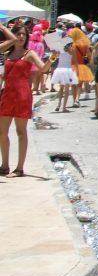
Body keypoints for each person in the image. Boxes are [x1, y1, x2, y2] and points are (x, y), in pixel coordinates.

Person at [0, 23, 55, 177]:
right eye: (18, 33)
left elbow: (43, 69)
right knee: (2, 132)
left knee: (20, 131)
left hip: (22, 95)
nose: (21, 36)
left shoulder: (29, 53)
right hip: (7, 94)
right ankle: (4, 165)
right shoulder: (7, 54)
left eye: (24, 34)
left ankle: (19, 168)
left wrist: (52, 57)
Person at [68, 26, 94, 106]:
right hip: (81, 66)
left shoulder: (71, 45)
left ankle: (74, 100)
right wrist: (90, 63)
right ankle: (77, 100)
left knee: (73, 84)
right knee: (79, 84)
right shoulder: (85, 44)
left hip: (72, 66)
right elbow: (89, 55)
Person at [51, 41, 78, 113]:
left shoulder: (59, 50)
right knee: (66, 90)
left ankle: (58, 105)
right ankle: (64, 107)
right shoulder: (72, 51)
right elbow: (75, 61)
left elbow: (54, 57)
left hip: (59, 69)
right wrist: (77, 70)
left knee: (61, 88)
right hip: (68, 70)